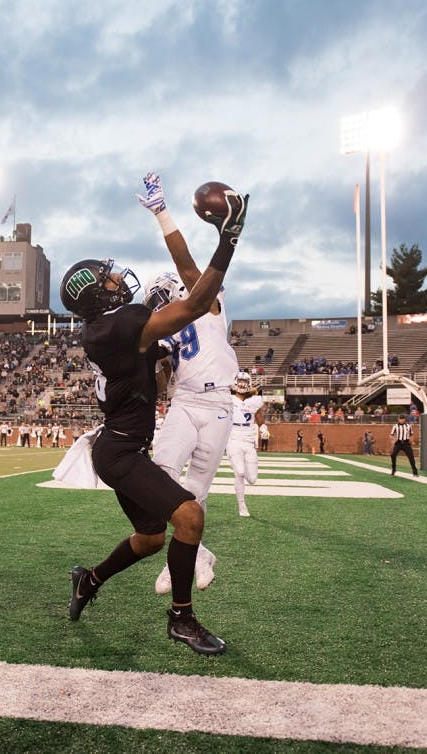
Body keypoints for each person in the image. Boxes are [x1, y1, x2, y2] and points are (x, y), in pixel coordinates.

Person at [60, 171, 247, 655]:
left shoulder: (107, 329)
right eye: (108, 279)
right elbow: (197, 303)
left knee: (149, 539)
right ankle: (182, 619)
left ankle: (89, 579)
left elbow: (157, 366)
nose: (118, 279)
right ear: (97, 296)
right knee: (189, 517)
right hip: (120, 452)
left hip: (124, 446)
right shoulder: (117, 327)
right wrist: (228, 239)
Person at [141, 267, 236, 596]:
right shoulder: (168, 328)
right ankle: (199, 553)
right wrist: (154, 362)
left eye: (159, 297)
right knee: (160, 475)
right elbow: (162, 383)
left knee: (196, 491)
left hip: (218, 403)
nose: (157, 306)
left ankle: (179, 560)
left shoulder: (209, 305)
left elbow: (195, 276)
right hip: (184, 401)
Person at [227, 372, 264, 517]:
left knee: (252, 479)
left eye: (245, 382)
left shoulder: (255, 401)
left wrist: (263, 427)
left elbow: (259, 417)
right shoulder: (227, 399)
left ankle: (240, 470)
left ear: (249, 384)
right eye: (240, 381)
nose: (242, 384)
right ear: (235, 382)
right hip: (233, 439)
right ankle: (242, 506)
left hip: (249, 441)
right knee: (240, 472)